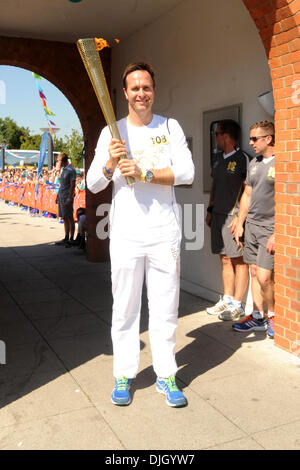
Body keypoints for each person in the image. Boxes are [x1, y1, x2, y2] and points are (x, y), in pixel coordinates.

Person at [87, 62, 194, 407]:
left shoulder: (170, 127)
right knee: (125, 307)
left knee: (165, 308)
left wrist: (144, 171)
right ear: (125, 93)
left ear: (154, 90)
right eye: (134, 88)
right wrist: (109, 164)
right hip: (127, 234)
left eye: (146, 87)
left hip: (164, 232)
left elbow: (187, 173)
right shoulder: (111, 132)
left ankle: (166, 375)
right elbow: (93, 183)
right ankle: (124, 372)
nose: (141, 94)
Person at [231, 121, 275, 338]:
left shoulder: (283, 162)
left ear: (269, 139)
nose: (250, 143)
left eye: (255, 139)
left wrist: (278, 233)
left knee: (265, 277)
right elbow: (247, 194)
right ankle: (258, 317)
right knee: (255, 272)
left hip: (270, 228)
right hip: (253, 227)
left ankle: (274, 317)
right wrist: (240, 223)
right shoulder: (255, 163)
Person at [205, 120, 250, 321]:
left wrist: (240, 218)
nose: (215, 138)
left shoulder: (243, 159)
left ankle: (237, 304)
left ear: (226, 136)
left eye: (217, 134)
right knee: (224, 259)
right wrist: (210, 209)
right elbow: (215, 186)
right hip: (217, 217)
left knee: (239, 261)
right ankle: (227, 298)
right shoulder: (217, 159)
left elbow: (250, 191)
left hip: (233, 219)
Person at [55, 152, 76, 246]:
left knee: (70, 217)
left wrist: (69, 198)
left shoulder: (71, 170)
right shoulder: (63, 170)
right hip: (61, 196)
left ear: (61, 161)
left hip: (67, 196)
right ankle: (66, 237)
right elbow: (62, 184)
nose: (57, 162)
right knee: (64, 217)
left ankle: (71, 238)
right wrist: (57, 195)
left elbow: (72, 185)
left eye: (58, 161)